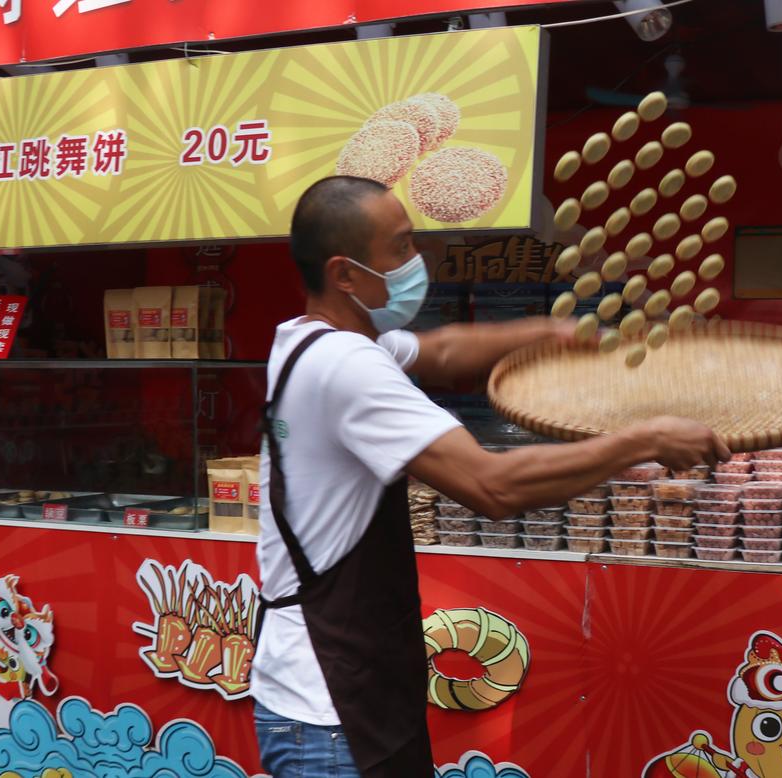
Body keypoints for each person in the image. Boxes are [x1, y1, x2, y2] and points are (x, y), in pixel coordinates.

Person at [253, 176, 728, 778]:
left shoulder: (313, 343)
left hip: (343, 690)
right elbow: (492, 486)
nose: (415, 263)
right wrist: (645, 441)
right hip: (327, 706)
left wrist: (562, 334)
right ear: (344, 274)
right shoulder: (346, 367)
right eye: (399, 249)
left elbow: (445, 350)